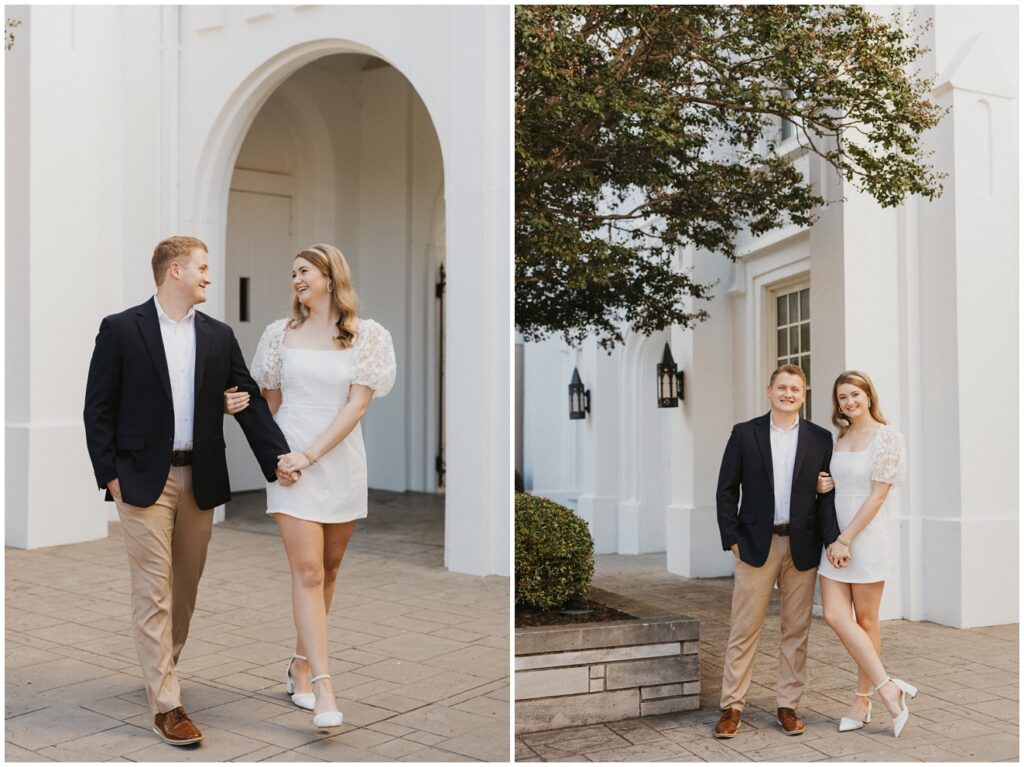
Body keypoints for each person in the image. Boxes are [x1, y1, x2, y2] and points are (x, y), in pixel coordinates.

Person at [83, 236, 296, 746]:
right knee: (154, 588)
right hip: (141, 480)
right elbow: (98, 409)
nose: (208, 275)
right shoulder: (121, 329)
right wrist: (110, 475)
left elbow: (246, 401)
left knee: (185, 589)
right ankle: (167, 704)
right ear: (174, 270)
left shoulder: (219, 336)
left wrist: (280, 459)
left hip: (199, 479)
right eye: (202, 267)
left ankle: (162, 671)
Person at [246, 243, 396, 730]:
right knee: (307, 572)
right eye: (292, 273)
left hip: (339, 464)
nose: (296, 279)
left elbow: (355, 408)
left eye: (304, 271)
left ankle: (300, 663)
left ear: (330, 278)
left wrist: (312, 454)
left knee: (329, 571)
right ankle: (325, 687)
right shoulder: (276, 336)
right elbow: (268, 406)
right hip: (290, 468)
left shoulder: (367, 337)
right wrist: (278, 458)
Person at [713, 364, 837, 739]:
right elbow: (725, 489)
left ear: (804, 394)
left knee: (796, 630)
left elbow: (826, 494)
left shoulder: (820, 438)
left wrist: (830, 535)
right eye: (782, 387)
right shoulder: (744, 433)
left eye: (795, 389)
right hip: (755, 544)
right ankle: (732, 706)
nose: (788, 394)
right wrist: (730, 536)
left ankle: (788, 704)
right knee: (744, 628)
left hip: (802, 545)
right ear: (769, 391)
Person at [816, 370, 915, 737]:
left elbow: (877, 495)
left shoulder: (887, 437)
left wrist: (847, 539)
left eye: (855, 394)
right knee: (835, 615)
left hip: (865, 536)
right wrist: (822, 485)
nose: (849, 402)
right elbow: (831, 485)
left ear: (869, 396)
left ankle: (862, 700)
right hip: (833, 539)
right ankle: (889, 687)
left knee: (867, 621)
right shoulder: (837, 438)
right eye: (842, 397)